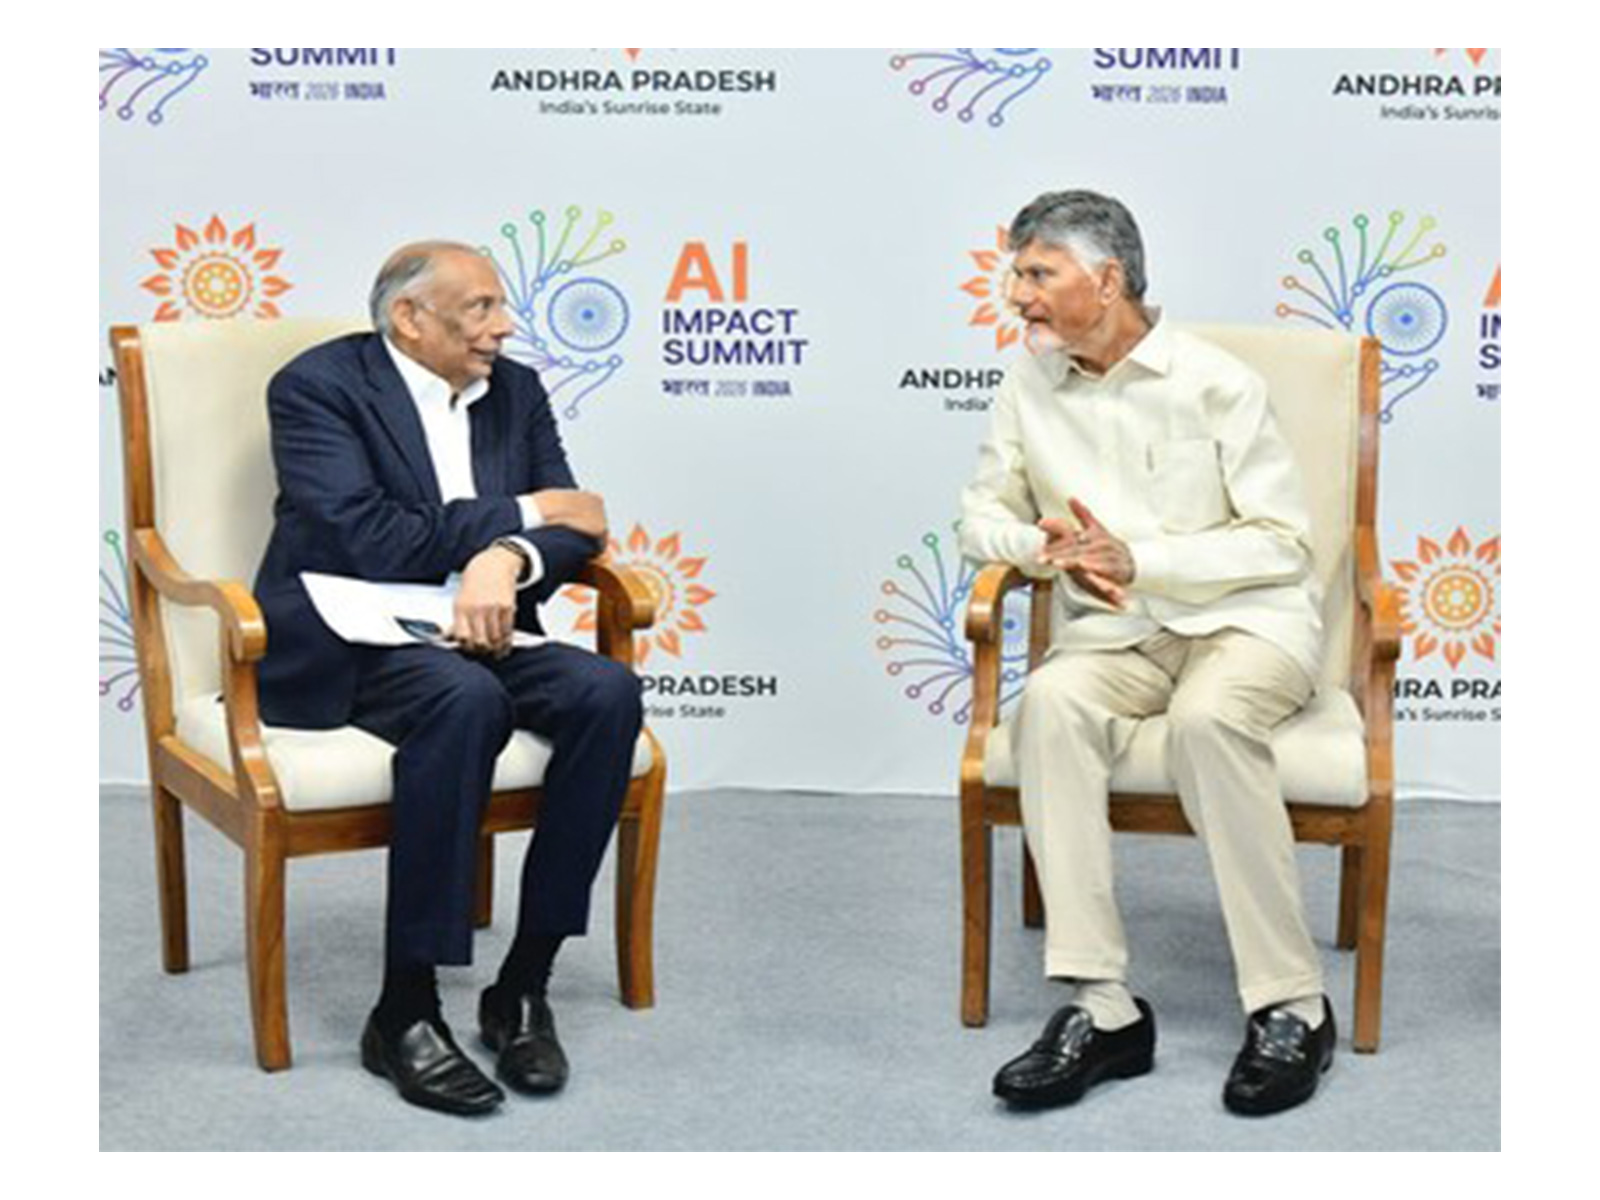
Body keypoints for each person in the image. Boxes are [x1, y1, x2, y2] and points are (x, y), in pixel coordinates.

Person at [959, 191, 1335, 1117]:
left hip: (1248, 624)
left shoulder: (1216, 383)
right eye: (1017, 274)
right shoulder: (1027, 385)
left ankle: (1292, 1004)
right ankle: (1103, 1004)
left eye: (1038, 273)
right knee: (1048, 704)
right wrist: (1037, 548)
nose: (1019, 295)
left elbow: (1284, 543)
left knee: (1210, 722)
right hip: (1118, 636)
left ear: (1108, 279)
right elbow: (978, 517)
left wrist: (1146, 559)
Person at [253, 241, 643, 1117]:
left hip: (486, 623)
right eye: (480, 309)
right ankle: (404, 1009)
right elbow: (364, 537)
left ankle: (523, 985)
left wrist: (505, 558)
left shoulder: (517, 389)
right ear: (409, 318)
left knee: (605, 692)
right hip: (353, 636)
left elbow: (579, 529)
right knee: (464, 700)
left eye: (501, 307)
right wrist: (522, 517)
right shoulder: (316, 389)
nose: (504, 327)